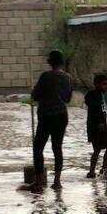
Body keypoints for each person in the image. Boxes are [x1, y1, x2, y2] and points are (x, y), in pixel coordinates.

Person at [28, 49, 75, 191]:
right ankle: (57, 181)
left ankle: (38, 182)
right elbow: (68, 99)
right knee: (57, 148)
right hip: (61, 116)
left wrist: (34, 90)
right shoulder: (68, 78)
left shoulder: (45, 76)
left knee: (38, 148)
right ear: (61, 62)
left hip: (46, 116)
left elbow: (35, 96)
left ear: (49, 62)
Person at [84, 73, 107, 179]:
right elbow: (95, 111)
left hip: (94, 126)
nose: (106, 87)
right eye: (104, 84)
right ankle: (104, 169)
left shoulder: (96, 95)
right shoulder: (95, 96)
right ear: (96, 84)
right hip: (99, 126)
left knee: (97, 150)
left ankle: (92, 172)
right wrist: (100, 123)